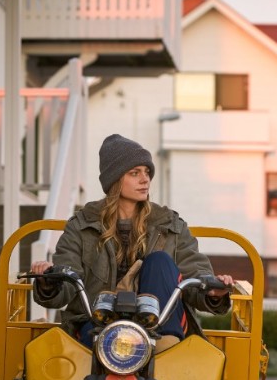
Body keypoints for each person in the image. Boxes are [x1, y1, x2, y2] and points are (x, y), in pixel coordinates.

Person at [31, 133, 233, 349]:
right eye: (134, 173)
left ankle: (165, 347)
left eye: (147, 172)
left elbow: (195, 275)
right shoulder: (82, 226)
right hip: (99, 323)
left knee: (159, 261)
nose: (145, 179)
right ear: (115, 180)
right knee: (93, 342)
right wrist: (49, 281)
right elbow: (66, 283)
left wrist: (212, 293)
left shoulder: (170, 224)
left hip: (160, 327)